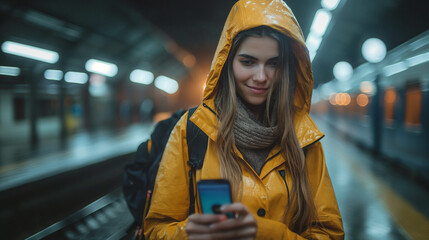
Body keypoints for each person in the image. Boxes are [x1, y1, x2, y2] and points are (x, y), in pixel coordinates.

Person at [144, 0, 344, 239]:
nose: (261, 77)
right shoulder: (192, 131)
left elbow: (329, 234)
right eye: (247, 62)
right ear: (227, 63)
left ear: (287, 69)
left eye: (273, 64)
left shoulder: (304, 139)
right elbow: (156, 229)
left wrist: (267, 234)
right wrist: (186, 234)